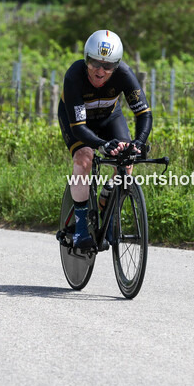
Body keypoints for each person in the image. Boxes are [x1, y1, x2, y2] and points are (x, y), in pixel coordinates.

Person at [58, 30, 152, 249]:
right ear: (86, 59)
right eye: (94, 63)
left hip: (110, 116)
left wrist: (138, 142)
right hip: (78, 122)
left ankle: (106, 206)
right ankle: (81, 228)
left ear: (116, 66)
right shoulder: (74, 75)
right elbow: (80, 128)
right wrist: (101, 144)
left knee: (126, 161)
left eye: (108, 66)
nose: (100, 71)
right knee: (84, 158)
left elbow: (144, 114)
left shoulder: (124, 74)